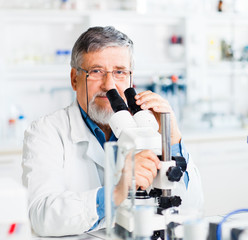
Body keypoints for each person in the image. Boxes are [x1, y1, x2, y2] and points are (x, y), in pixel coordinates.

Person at [22, 26, 203, 237]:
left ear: (130, 80)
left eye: (119, 72)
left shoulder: (146, 128)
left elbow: (192, 206)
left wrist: (172, 141)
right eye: (96, 71)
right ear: (74, 79)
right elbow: (41, 217)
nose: (110, 85)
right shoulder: (46, 132)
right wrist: (116, 192)